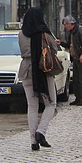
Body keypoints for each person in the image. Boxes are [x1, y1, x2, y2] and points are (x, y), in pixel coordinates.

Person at [18, 8, 58, 151]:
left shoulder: (21, 34)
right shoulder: (44, 33)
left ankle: (33, 141)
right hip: (43, 70)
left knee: (32, 106)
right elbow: (54, 49)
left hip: (26, 70)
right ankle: (41, 131)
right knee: (51, 103)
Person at [61, 16, 82, 106]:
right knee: (76, 79)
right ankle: (78, 98)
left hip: (81, 58)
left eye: (66, 25)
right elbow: (70, 44)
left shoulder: (80, 30)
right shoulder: (72, 33)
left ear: (71, 24)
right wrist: (61, 43)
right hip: (75, 58)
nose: (65, 27)